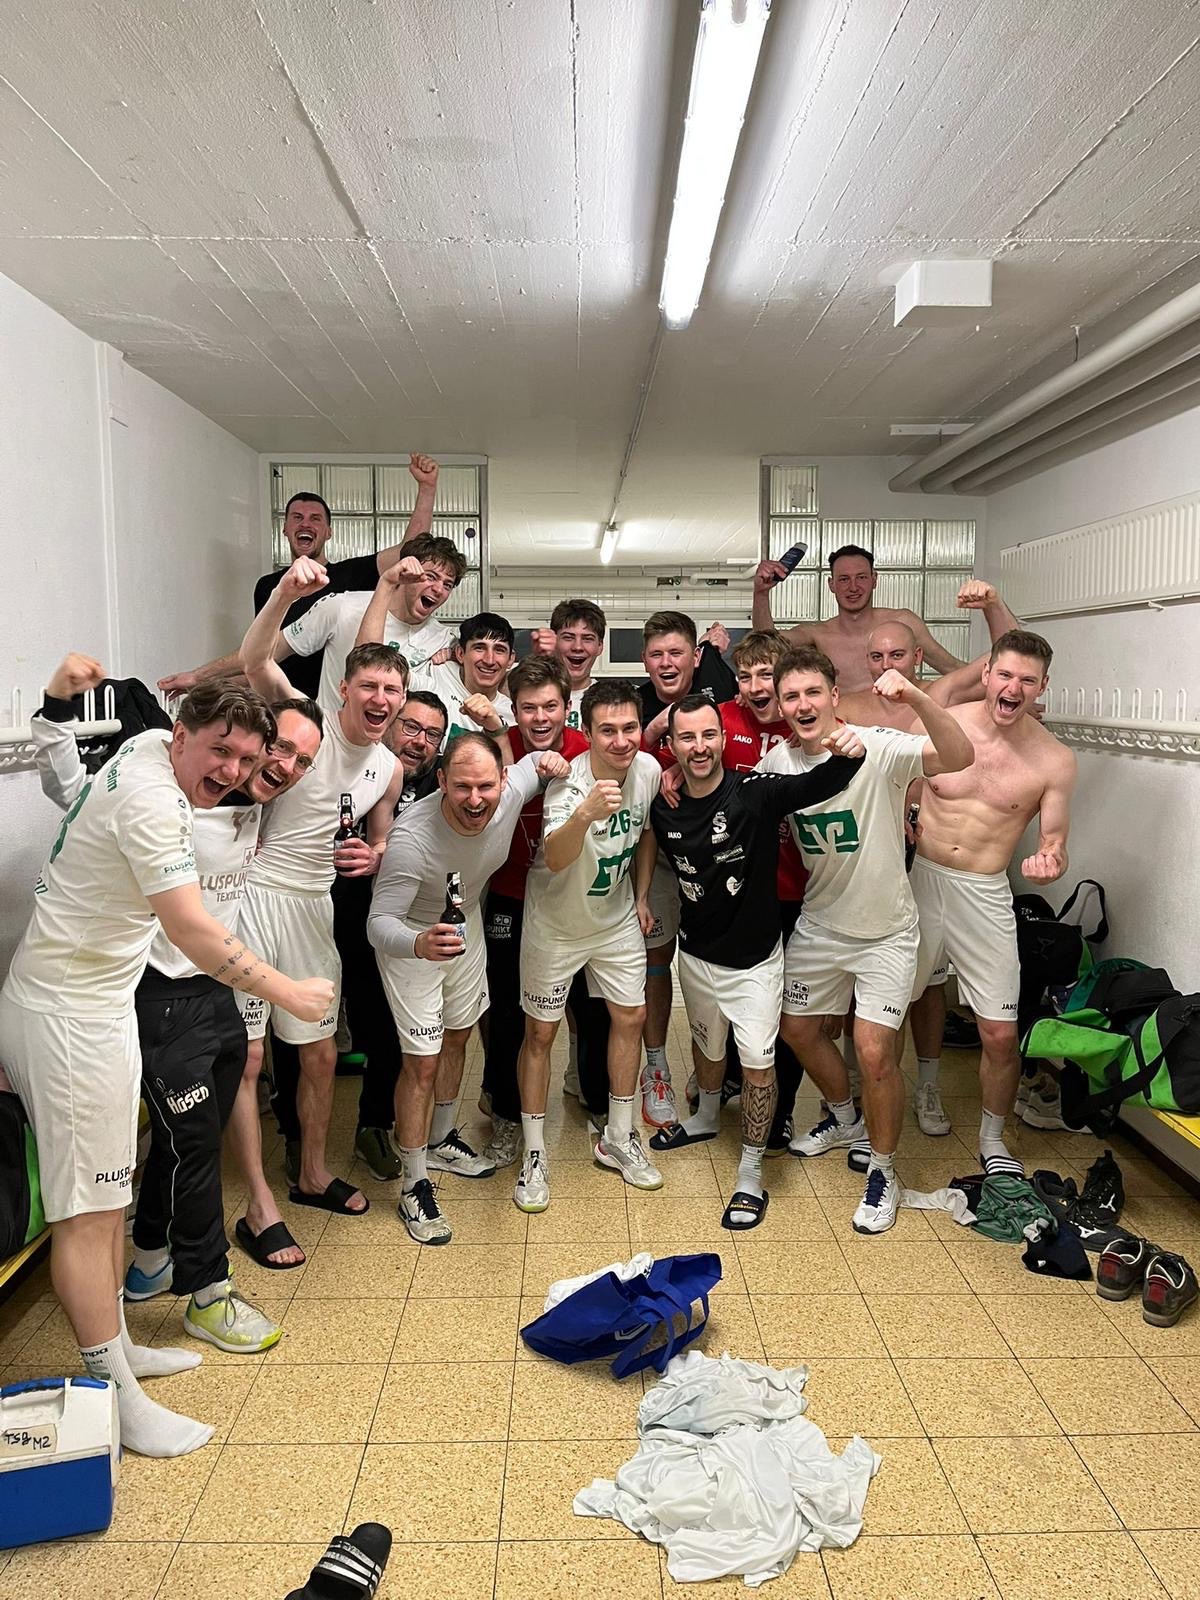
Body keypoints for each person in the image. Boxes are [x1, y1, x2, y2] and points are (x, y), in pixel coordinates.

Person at [0, 680, 333, 1456]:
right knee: (86, 1215)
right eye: (219, 750)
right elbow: (190, 929)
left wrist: (57, 700)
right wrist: (287, 991)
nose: (231, 771)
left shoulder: (148, 746)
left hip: (98, 1001)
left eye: (245, 757)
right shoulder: (152, 799)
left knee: (110, 1198)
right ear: (181, 733)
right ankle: (115, 1393)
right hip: (69, 1018)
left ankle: (118, 1346)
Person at [763, 648, 974, 1236]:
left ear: (834, 696)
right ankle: (843, 1118)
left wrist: (916, 696)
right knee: (796, 1029)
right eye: (791, 696)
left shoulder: (879, 745)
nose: (803, 705)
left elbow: (959, 756)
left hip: (886, 933)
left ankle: (884, 1171)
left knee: (875, 1053)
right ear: (780, 707)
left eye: (813, 692)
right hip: (820, 924)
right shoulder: (778, 761)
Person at [637, 695, 865, 1231]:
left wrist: (851, 753)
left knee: (758, 1067)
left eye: (708, 735)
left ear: (723, 738)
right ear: (672, 746)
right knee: (708, 1047)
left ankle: (751, 1170)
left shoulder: (755, 792)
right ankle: (706, 1116)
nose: (699, 748)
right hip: (695, 955)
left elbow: (821, 783)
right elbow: (643, 829)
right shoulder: (663, 801)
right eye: (686, 738)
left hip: (757, 964)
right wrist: (643, 895)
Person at [233, 559, 407, 1261]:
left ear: (402, 700)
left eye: (392, 689)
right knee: (248, 1058)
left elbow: (382, 835)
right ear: (345, 690)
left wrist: (375, 853)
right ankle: (258, 1204)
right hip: (253, 897)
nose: (380, 698)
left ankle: (309, 1172)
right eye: (369, 686)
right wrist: (284, 594)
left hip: (314, 908)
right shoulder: (307, 724)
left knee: (321, 1052)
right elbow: (254, 660)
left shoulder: (389, 768)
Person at [368, 734, 569, 1243]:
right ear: (441, 781)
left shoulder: (512, 788)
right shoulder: (412, 838)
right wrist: (419, 943)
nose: (476, 800)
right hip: (413, 938)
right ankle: (414, 1183)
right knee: (422, 1062)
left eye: (485, 786)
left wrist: (548, 760)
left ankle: (440, 1139)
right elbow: (378, 923)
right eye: (462, 787)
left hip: (466, 923)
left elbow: (531, 764)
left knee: (459, 1034)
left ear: (502, 780)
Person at [907, 630, 1077, 1170]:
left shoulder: (1054, 759)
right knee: (897, 1004)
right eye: (1005, 674)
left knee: (1000, 1033)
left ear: (1042, 687)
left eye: (1027, 680)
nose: (1013, 687)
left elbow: (1054, 841)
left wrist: (1050, 861)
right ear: (986, 675)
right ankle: (921, 1090)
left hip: (984, 890)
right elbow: (898, 788)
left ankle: (993, 1140)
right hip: (921, 877)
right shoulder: (942, 724)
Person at [270, 690, 452, 1185]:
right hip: (315, 911)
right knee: (299, 1022)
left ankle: (374, 1126)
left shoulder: (440, 787)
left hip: (382, 927)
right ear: (389, 723)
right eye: (410, 726)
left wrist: (380, 855)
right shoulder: (352, 760)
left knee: (385, 1028)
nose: (419, 741)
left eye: (432, 734)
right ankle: (293, 1134)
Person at [515, 680, 664, 1212]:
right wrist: (585, 815)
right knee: (541, 1033)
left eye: (630, 728)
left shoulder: (648, 769)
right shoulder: (569, 785)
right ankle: (534, 1152)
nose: (621, 741)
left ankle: (619, 1137)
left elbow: (646, 832)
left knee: (632, 1017)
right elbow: (555, 859)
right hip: (555, 925)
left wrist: (641, 895)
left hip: (614, 919)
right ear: (588, 731)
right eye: (608, 731)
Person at [157, 454, 441, 701]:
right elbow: (261, 657)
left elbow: (411, 553)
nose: (306, 523)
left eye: (315, 518)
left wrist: (427, 488)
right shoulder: (269, 587)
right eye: (297, 517)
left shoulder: (351, 576)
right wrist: (201, 680)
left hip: (335, 709)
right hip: (281, 705)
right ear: (285, 529)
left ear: (328, 532)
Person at [480, 655, 591, 1168]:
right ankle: (505, 1111)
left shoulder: (585, 751)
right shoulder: (497, 747)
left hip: (569, 900)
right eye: (529, 708)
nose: (540, 718)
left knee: (583, 1005)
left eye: (550, 706)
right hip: (510, 894)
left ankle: (592, 1094)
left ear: (567, 707)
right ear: (515, 710)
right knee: (506, 1009)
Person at [636, 611, 739, 1129]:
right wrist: (655, 737)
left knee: (715, 966)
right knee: (656, 962)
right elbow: (614, 758)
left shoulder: (721, 696)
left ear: (696, 657)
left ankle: (714, 1068)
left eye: (676, 652)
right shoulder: (636, 703)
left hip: (716, 855)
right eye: (657, 654)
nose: (667, 663)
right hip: (656, 853)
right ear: (645, 660)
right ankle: (656, 1068)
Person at [275, 532, 468, 719]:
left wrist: (454, 655)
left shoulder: (445, 639)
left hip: (394, 739)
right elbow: (268, 653)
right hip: (330, 733)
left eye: (448, 584)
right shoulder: (342, 606)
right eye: (430, 576)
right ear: (405, 572)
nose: (438, 589)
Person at [752, 544, 966, 692]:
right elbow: (766, 646)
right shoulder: (818, 635)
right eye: (844, 579)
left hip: (899, 733)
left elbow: (952, 668)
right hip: (845, 735)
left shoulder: (903, 623)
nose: (853, 587)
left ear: (874, 579)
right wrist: (761, 594)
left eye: (861, 577)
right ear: (831, 585)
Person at [835, 580, 1024, 728]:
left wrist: (994, 605)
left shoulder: (939, 695)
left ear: (917, 656)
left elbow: (1013, 657)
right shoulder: (848, 708)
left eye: (897, 655)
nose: (886, 665)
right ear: (867, 660)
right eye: (877, 657)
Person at [357, 590, 515, 742]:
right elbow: (373, 667)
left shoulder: (514, 713)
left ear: (511, 659)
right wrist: (387, 584)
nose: (489, 660)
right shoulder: (436, 673)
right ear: (460, 654)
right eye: (479, 648)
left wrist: (496, 728)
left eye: (499, 650)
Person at [530, 598, 608, 728]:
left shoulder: (610, 699)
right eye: (568, 637)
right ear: (555, 642)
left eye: (587, 638)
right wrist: (539, 661)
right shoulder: (531, 694)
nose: (577, 647)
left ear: (600, 646)